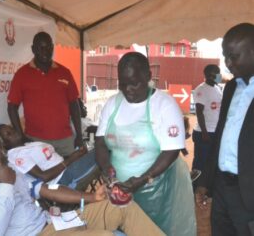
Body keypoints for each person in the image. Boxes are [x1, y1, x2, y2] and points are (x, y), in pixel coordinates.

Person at [0, 129, 164, 236]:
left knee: (122, 206)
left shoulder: (10, 169)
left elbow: (46, 190)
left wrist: (91, 197)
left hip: (53, 223)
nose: (5, 153)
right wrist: (5, 187)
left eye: (3, 148)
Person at [95, 52, 196, 236]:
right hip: (120, 188)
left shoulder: (164, 105)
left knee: (153, 230)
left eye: (134, 83)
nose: (128, 90)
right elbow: (100, 142)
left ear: (148, 76)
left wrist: (144, 178)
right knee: (122, 228)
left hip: (156, 189)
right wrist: (106, 168)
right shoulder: (112, 104)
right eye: (123, 84)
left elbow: (171, 150)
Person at [196, 23, 254, 236]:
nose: (228, 64)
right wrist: (206, 181)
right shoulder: (230, 88)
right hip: (221, 187)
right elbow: (220, 136)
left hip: (249, 196)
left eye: (234, 56)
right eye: (225, 56)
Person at [7, 32, 83, 157]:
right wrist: (21, 136)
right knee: (43, 176)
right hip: (36, 141)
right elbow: (12, 107)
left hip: (65, 141)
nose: (45, 51)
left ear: (53, 48)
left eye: (48, 47)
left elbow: (74, 105)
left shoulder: (65, 72)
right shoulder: (22, 75)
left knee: (70, 174)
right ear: (33, 49)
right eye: (40, 48)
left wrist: (79, 135)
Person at [0, 124, 97, 189]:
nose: (14, 132)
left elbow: (52, 160)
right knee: (103, 150)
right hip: (63, 179)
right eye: (9, 134)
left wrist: (76, 155)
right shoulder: (17, 156)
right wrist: (71, 159)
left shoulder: (26, 145)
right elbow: (43, 177)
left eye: (12, 129)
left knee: (101, 149)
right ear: (3, 144)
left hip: (69, 168)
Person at [191, 64, 223, 183]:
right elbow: (199, 112)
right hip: (203, 133)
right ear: (210, 75)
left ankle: (206, 187)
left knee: (212, 162)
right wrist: (204, 132)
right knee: (200, 163)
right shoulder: (201, 89)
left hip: (215, 131)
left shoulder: (217, 88)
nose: (220, 76)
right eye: (217, 73)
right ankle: (194, 187)